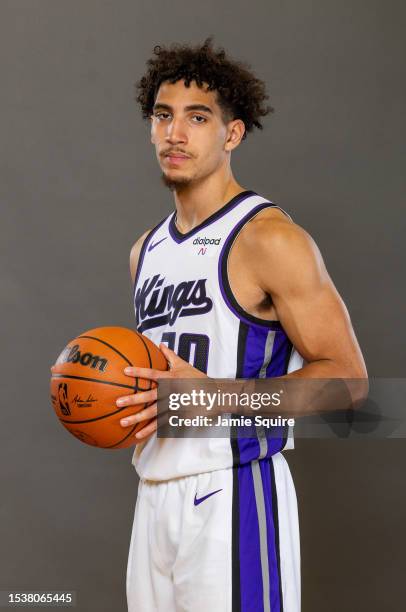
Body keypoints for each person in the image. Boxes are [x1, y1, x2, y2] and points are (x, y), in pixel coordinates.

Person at [116, 39, 367, 612]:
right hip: (152, 497)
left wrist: (213, 400)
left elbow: (349, 380)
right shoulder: (144, 252)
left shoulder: (269, 238)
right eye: (163, 115)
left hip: (235, 490)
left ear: (232, 134)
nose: (174, 134)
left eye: (197, 118)